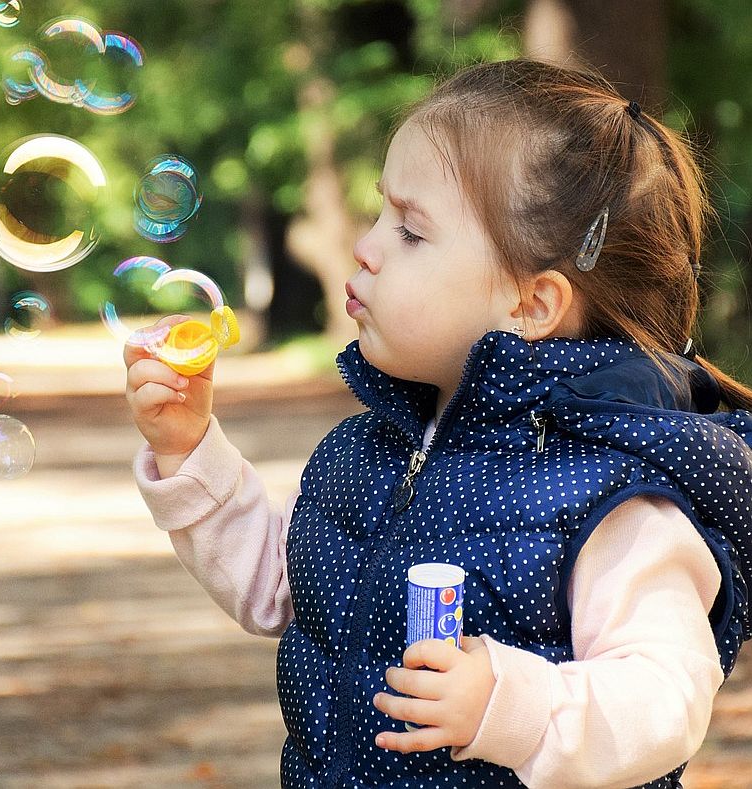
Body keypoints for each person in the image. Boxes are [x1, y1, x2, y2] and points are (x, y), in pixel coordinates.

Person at [123, 58, 752, 788]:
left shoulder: (611, 494)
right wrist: (190, 448)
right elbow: (278, 582)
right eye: (379, 212)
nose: (366, 245)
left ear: (531, 304)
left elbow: (663, 699)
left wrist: (509, 703)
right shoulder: (367, 451)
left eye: (411, 232)